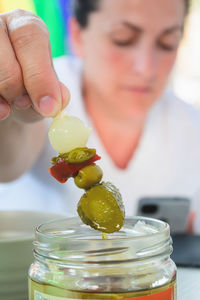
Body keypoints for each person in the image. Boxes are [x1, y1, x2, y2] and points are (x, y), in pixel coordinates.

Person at [0, 0, 200, 231]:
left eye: (167, 43)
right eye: (122, 39)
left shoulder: (191, 128)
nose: (146, 68)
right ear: (77, 35)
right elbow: (9, 160)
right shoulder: (49, 90)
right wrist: (14, 109)